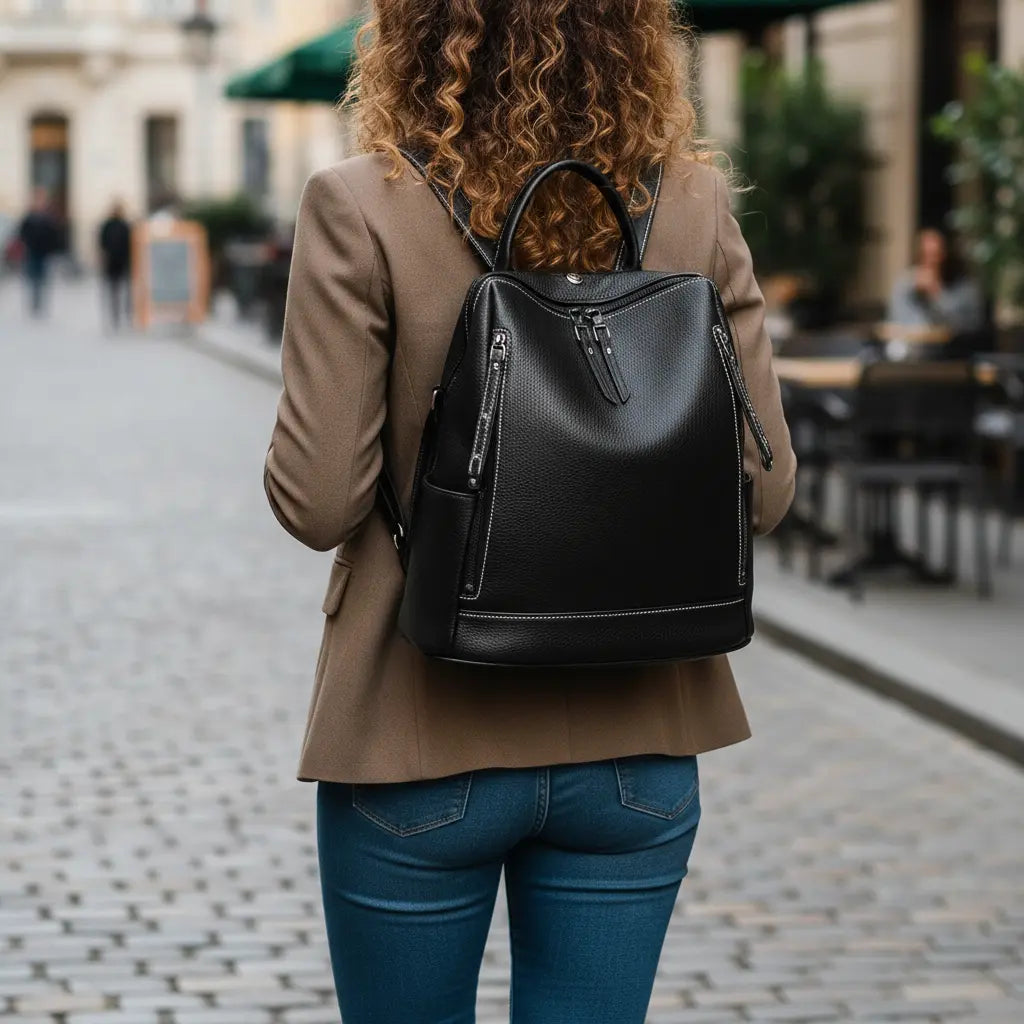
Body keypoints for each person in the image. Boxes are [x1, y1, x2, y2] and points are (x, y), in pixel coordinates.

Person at [264, 3, 796, 1021]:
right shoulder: (692, 203)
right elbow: (765, 490)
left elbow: (318, 500)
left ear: (413, 34)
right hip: (636, 740)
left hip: (417, 735)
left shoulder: (360, 206)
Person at [888, 228, 985, 334]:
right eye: (924, 255)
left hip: (952, 347)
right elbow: (898, 321)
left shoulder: (965, 287)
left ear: (945, 254)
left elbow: (966, 325)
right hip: (915, 346)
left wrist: (937, 294)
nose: (930, 262)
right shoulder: (905, 284)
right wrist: (911, 289)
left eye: (935, 255)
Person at [18, 187, 60, 317]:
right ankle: (34, 303)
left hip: (44, 252)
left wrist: (51, 248)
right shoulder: (29, 217)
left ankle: (41, 304)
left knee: (44, 279)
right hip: (32, 251)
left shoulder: (48, 218)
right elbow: (22, 232)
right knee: (33, 279)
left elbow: (54, 234)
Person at [98, 201, 133, 330]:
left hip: (123, 261)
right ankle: (115, 314)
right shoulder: (108, 225)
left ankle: (126, 313)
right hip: (112, 261)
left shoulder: (125, 225)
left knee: (125, 290)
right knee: (114, 289)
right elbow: (102, 243)